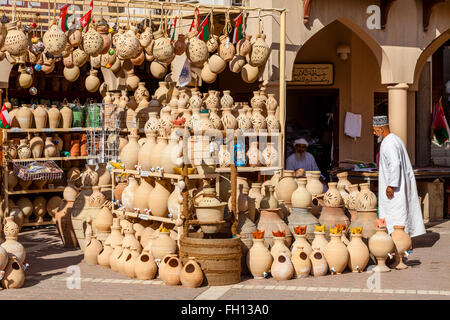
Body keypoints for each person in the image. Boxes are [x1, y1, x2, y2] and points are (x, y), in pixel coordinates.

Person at [373, 115, 426, 237]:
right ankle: (404, 242)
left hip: (395, 189)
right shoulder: (395, 139)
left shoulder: (388, 143)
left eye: (375, 130)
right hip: (399, 185)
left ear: (381, 129)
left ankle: (399, 243)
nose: (374, 133)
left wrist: (391, 185)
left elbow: (395, 164)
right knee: (400, 213)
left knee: (395, 215)